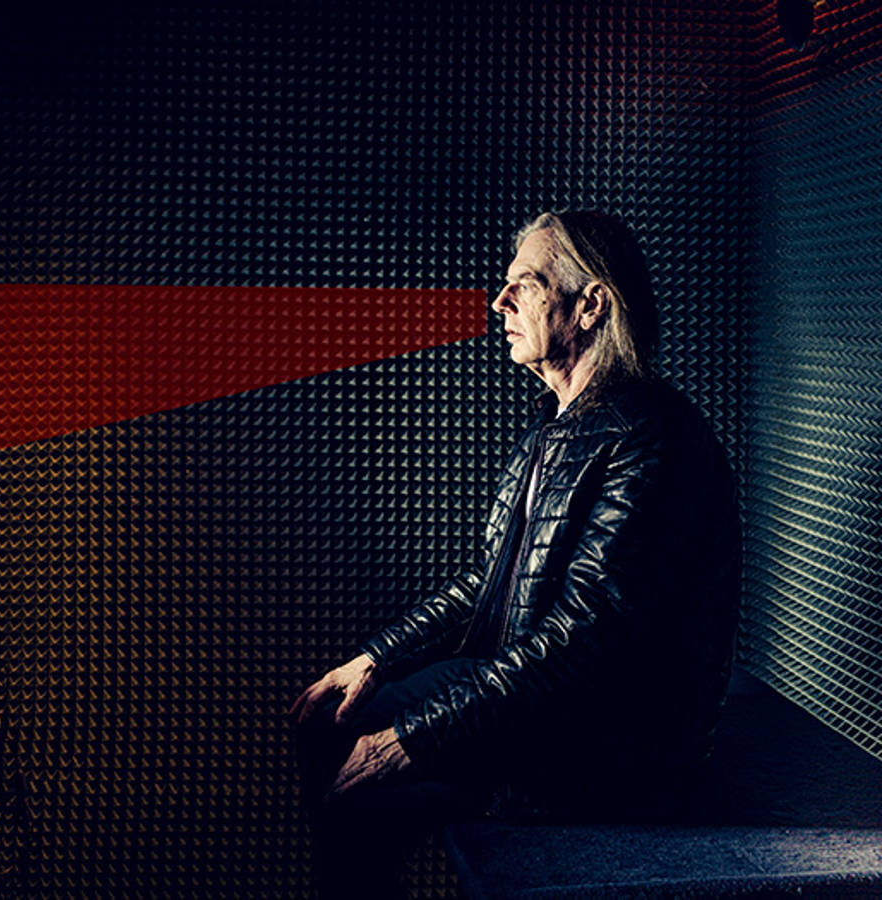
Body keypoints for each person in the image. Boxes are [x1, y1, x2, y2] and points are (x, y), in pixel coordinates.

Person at [289, 210, 741, 896]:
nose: (499, 301)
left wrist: (412, 739)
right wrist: (377, 658)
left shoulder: (652, 435)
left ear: (591, 305)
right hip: (542, 700)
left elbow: (585, 636)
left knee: (364, 784)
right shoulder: (553, 425)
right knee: (331, 719)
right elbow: (490, 580)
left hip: (611, 739)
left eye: (525, 284)